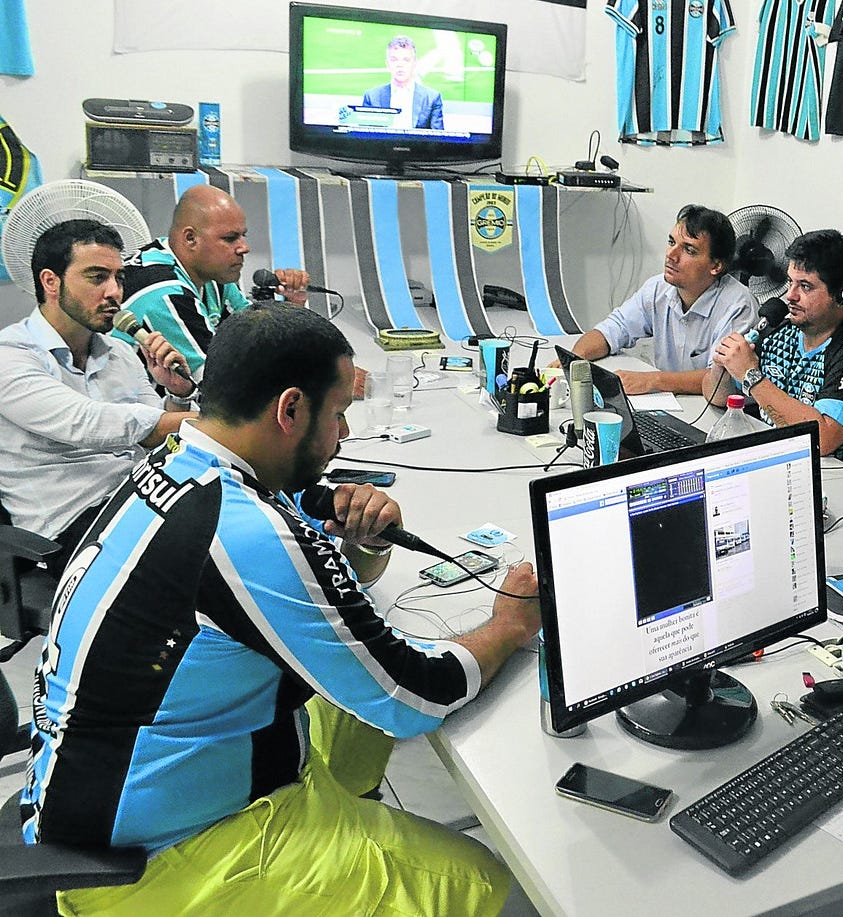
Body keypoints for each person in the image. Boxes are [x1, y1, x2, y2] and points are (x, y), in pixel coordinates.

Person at [23, 303, 540, 916]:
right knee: (491, 888)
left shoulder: (173, 471)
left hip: (107, 792)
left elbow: (304, 609)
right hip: (154, 864)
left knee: (352, 709)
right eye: (339, 414)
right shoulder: (246, 532)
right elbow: (413, 693)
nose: (344, 435)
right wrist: (509, 625)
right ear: (290, 410)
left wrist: (352, 550)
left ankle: (344, 840)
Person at [0, 218, 195, 576]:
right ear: (51, 282)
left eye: (118, 278)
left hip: (139, 498)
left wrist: (178, 397)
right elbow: (86, 422)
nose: (114, 292)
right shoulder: (9, 355)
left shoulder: (119, 354)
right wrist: (214, 424)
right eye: (97, 277)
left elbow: (159, 440)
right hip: (68, 528)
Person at [704, 229, 843, 482]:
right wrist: (722, 364)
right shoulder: (782, 326)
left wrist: (751, 375)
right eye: (791, 282)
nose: (790, 295)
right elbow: (719, 396)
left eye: (805, 286)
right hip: (785, 465)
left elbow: (822, 439)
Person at [117, 185, 311, 381]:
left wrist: (292, 308)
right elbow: (219, 388)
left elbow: (261, 340)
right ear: (190, 238)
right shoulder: (165, 294)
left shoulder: (211, 272)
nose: (244, 247)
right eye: (230, 238)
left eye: (244, 236)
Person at [568, 204, 756, 395]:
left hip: (714, 411)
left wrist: (652, 380)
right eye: (671, 242)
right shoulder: (658, 287)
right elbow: (613, 329)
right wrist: (573, 361)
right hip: (667, 401)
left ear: (716, 266)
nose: (671, 255)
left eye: (689, 250)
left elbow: (720, 378)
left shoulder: (739, 305)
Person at [361, 35, 445, 131]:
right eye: (394, 60)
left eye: (406, 60)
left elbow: (438, 141)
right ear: (387, 64)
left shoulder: (432, 98)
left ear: (415, 63)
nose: (400, 65)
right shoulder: (372, 97)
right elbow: (365, 138)